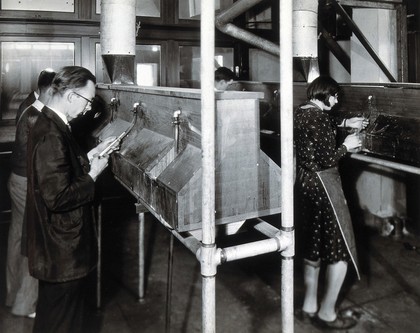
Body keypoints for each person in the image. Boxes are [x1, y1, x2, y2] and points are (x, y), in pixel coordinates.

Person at [26, 66, 118, 333]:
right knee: (62, 322)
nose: (88, 109)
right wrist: (94, 175)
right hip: (62, 251)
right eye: (88, 102)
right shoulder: (50, 133)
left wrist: (90, 156)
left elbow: (59, 171)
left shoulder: (50, 123)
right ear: (71, 97)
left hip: (56, 251)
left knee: (53, 318)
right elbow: (58, 196)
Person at [294, 76, 368, 330]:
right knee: (340, 251)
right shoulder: (319, 118)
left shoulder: (302, 112)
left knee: (313, 247)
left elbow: (323, 124)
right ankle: (327, 314)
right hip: (324, 186)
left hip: (305, 184)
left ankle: (309, 306)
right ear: (325, 94)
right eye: (335, 97)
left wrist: (346, 122)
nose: (336, 102)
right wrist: (347, 145)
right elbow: (328, 159)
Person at [6, 69, 56, 318]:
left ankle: (11, 294)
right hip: (26, 183)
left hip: (16, 180)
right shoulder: (36, 115)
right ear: (48, 90)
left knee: (17, 238)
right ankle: (26, 305)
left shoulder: (27, 103)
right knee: (33, 240)